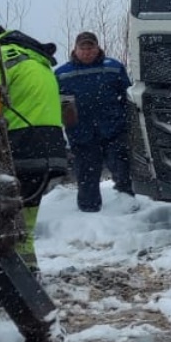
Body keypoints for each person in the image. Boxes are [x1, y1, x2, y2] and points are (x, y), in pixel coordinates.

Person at [0, 25, 66, 305]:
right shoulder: (34, 59)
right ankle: (31, 280)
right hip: (49, 154)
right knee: (25, 223)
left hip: (19, 150)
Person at [55, 30, 132, 212]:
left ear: (98, 48)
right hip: (82, 132)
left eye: (91, 47)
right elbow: (60, 103)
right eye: (83, 48)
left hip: (113, 128)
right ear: (76, 49)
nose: (88, 51)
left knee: (121, 167)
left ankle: (127, 202)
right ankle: (89, 208)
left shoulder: (113, 67)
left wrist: (124, 120)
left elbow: (127, 95)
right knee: (86, 171)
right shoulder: (63, 73)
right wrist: (71, 127)